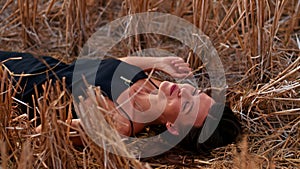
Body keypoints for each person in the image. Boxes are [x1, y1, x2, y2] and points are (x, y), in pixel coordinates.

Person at [0, 50, 241, 153]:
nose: (186, 92)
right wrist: (155, 62)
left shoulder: (118, 126)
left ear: (174, 128)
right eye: (197, 93)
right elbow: (111, 66)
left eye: (188, 105)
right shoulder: (155, 85)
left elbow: (40, 133)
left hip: (12, 91)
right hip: (27, 63)